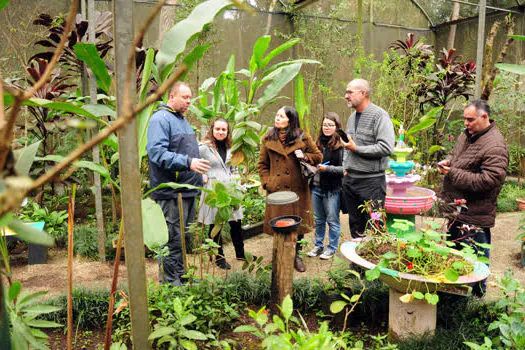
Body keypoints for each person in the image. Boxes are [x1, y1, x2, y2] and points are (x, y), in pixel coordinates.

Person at [438, 99, 508, 296]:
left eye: (470, 119)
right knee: (454, 257)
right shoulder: (468, 134)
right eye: (464, 119)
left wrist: (451, 173)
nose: (466, 123)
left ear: (484, 117)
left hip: (475, 216)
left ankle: (476, 300)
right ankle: (455, 296)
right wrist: (449, 161)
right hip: (457, 211)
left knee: (476, 261)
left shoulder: (495, 145)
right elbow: (458, 156)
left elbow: (489, 180)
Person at [147, 82, 211, 286]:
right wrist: (188, 162)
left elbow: (184, 150)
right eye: (185, 97)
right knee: (171, 237)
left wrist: (199, 174)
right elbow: (157, 153)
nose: (189, 101)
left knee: (182, 238)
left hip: (188, 190)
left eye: (190, 98)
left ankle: (181, 276)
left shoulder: (182, 120)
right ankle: (169, 281)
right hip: (170, 191)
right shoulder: (160, 119)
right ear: (171, 97)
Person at [258, 106, 322, 272]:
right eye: (277, 115)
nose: (277, 118)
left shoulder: (302, 136)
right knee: (278, 222)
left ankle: (296, 255)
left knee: (297, 222)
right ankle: (278, 254)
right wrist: (267, 182)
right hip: (277, 190)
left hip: (297, 189)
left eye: (281, 116)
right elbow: (262, 164)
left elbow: (318, 156)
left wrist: (305, 156)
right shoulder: (268, 137)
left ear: (290, 120)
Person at [197, 118, 255, 270]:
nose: (220, 132)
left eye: (224, 129)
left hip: (231, 189)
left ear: (228, 132)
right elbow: (193, 164)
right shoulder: (203, 147)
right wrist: (200, 176)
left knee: (236, 222)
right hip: (213, 189)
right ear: (212, 129)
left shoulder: (232, 147)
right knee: (216, 223)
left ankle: (240, 253)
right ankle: (218, 257)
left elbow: (234, 168)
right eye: (218, 129)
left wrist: (239, 182)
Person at [341, 78, 395, 238]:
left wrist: (356, 148)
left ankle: (374, 261)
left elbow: (386, 147)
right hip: (351, 182)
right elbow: (347, 146)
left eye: (350, 92)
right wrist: (345, 168)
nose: (346, 96)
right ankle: (357, 262)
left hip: (372, 185)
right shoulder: (352, 118)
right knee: (355, 224)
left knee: (376, 224)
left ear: (363, 93)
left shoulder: (379, 116)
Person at [307, 113, 345, 260]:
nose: (327, 128)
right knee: (318, 219)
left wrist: (326, 169)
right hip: (316, 187)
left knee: (332, 220)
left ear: (337, 127)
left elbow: (344, 170)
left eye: (330, 125)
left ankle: (332, 248)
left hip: (332, 189)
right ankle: (318, 245)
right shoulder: (317, 143)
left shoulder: (341, 146)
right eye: (324, 125)